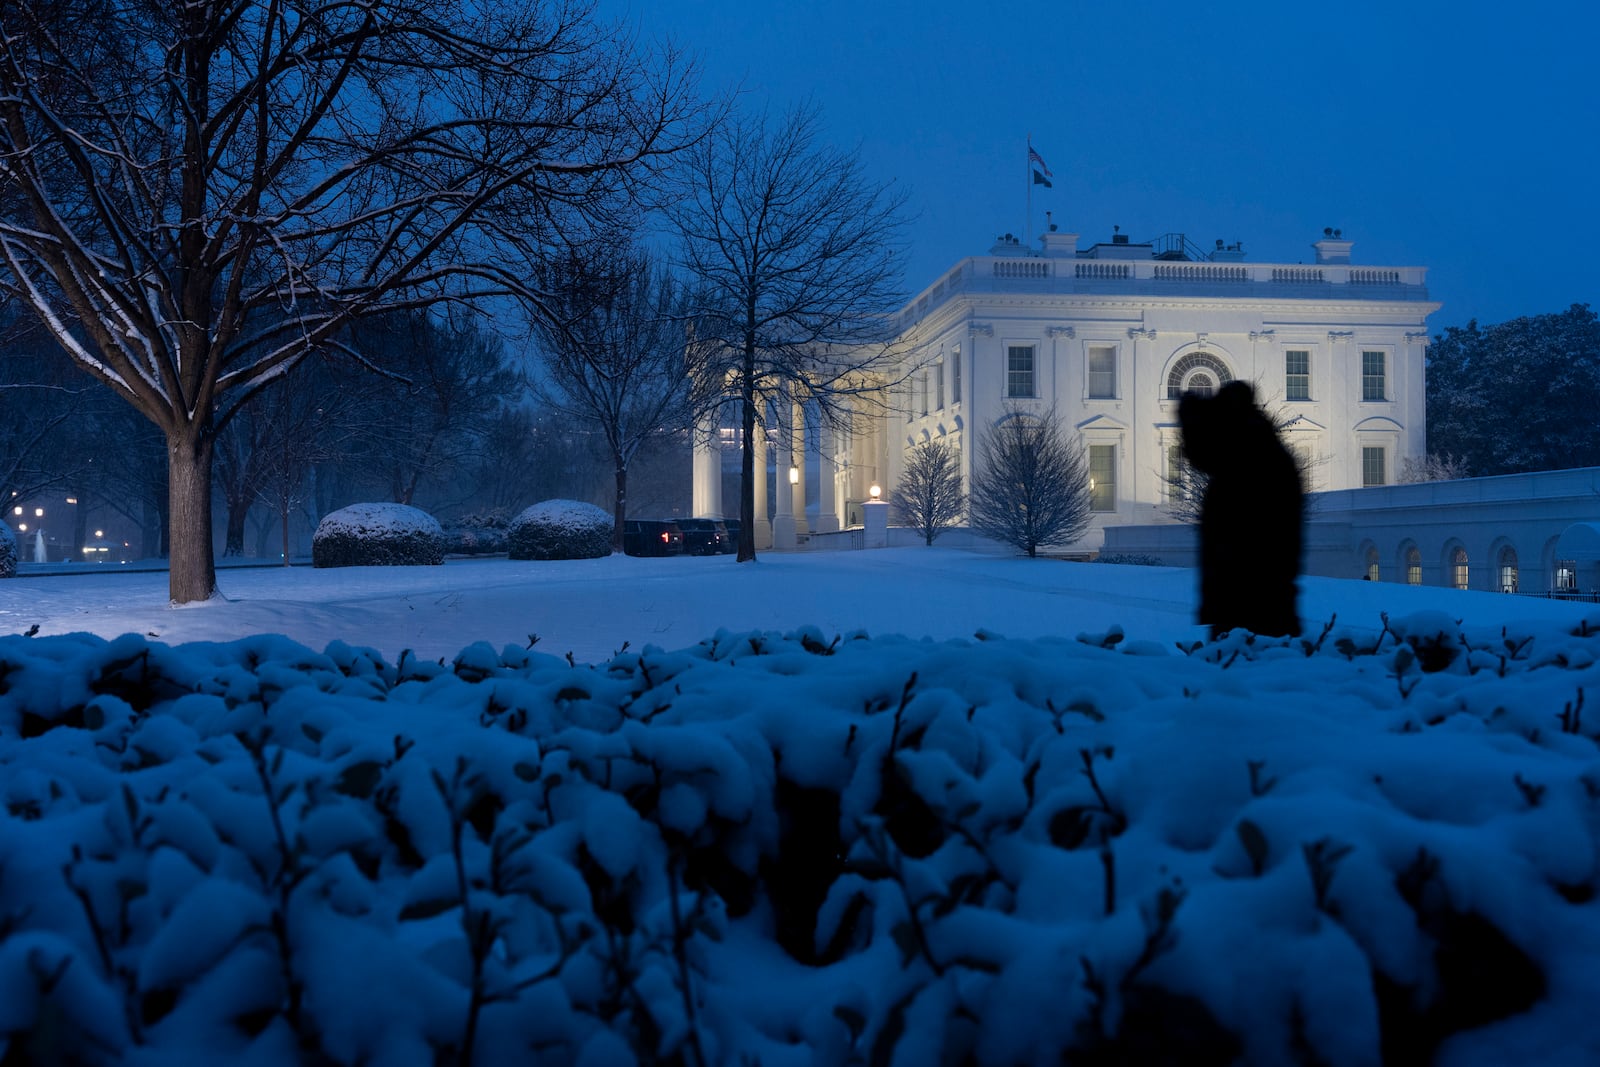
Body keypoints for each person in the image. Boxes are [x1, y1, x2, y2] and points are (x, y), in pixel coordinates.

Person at [1178, 381, 1303, 638]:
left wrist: (1192, 421)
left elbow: (1202, 454)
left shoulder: (1245, 460)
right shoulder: (1257, 451)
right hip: (1255, 599)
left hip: (1249, 601)